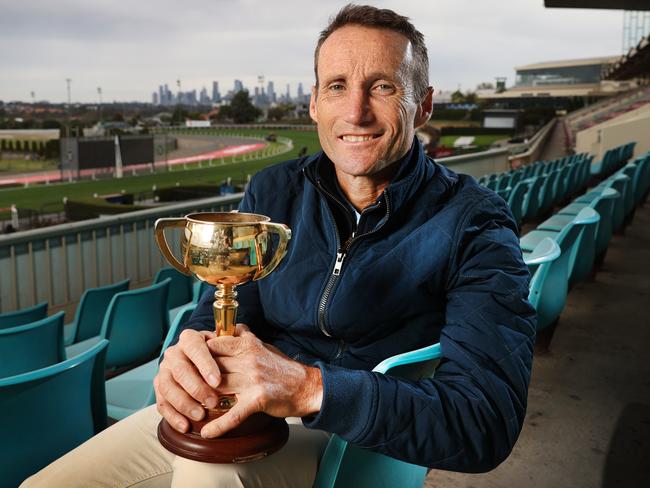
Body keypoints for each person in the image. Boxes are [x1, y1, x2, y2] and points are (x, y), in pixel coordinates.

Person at [24, 4, 535, 487]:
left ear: (422, 104)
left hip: (356, 435)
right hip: (246, 407)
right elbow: (217, 313)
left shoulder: (475, 220)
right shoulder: (271, 191)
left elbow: (485, 421)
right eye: (337, 86)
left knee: (212, 475)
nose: (355, 112)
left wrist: (307, 387)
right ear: (314, 102)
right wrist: (186, 359)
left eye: (382, 87)